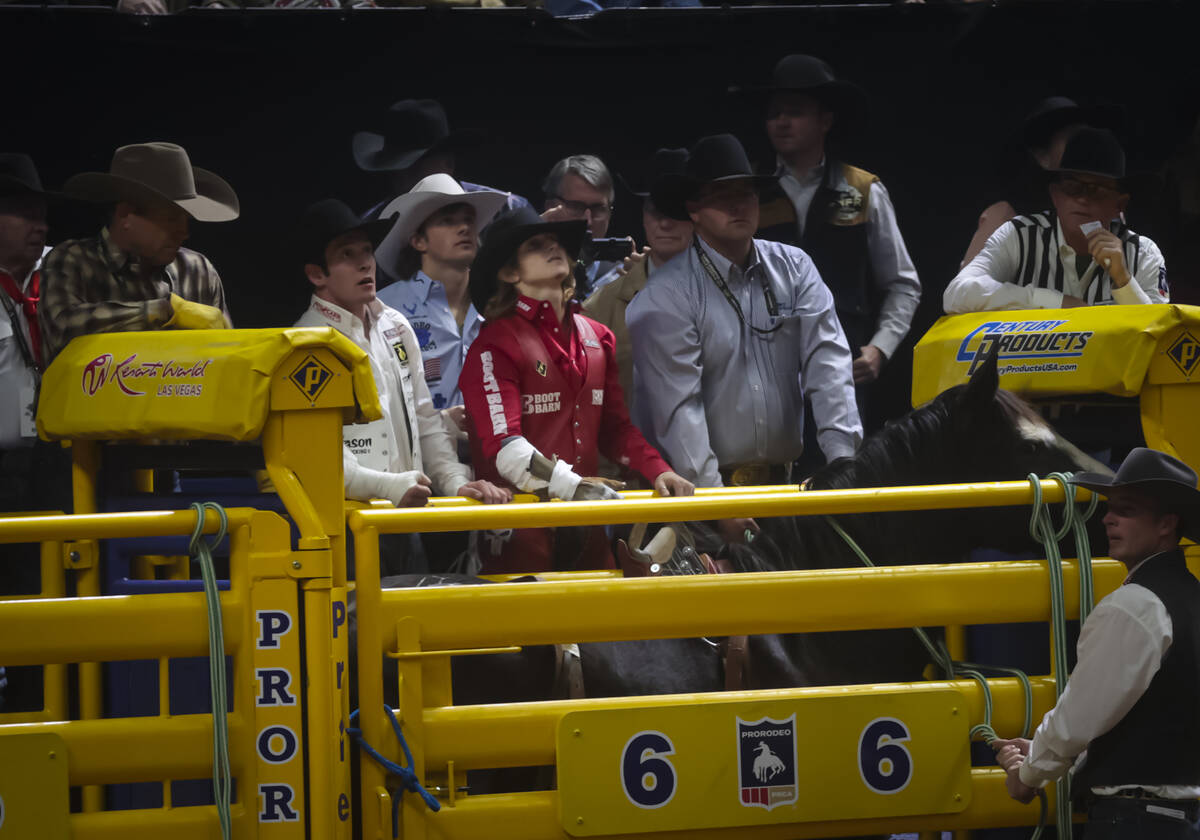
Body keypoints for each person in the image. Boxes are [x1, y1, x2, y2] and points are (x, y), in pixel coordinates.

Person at [628, 133, 861, 540]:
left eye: (747, 192)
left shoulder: (795, 267)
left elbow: (830, 365)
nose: (739, 203)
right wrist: (718, 504)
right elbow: (679, 410)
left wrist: (844, 467)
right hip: (698, 503)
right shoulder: (664, 296)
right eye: (722, 194)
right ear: (694, 209)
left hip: (787, 491)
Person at [459, 206, 693, 574]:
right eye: (536, 245)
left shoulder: (598, 337)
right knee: (530, 631)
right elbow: (505, 448)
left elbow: (615, 430)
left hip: (589, 528)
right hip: (517, 535)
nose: (554, 248)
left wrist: (658, 470)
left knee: (598, 628)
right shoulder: (494, 344)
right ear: (509, 272)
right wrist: (577, 487)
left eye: (558, 243)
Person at [993, 447, 1200, 839]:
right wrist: (1042, 752)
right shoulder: (1191, 598)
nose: (1108, 518)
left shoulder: (1134, 606)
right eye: (1110, 508)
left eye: (1127, 509)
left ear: (1166, 525)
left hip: (1135, 821)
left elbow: (1078, 717)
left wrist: (1028, 773)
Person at [292, 199, 510, 530]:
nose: (365, 263)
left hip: (405, 516)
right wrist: (388, 486)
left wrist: (453, 481)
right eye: (346, 255)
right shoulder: (305, 344)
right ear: (315, 274)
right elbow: (314, 458)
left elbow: (423, 419)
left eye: (367, 251)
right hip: (342, 524)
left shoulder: (395, 326)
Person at [753, 54, 921, 419]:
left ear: (825, 120)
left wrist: (880, 348)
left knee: (840, 470)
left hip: (842, 369)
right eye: (774, 112)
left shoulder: (863, 190)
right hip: (762, 370)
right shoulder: (749, 193)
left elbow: (903, 284)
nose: (781, 121)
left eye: (794, 111)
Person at [39, 142, 239, 364]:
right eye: (171, 218)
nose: (184, 232)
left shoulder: (197, 270)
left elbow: (228, 356)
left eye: (187, 219)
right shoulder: (73, 260)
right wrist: (165, 311)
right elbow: (63, 328)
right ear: (126, 214)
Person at [945, 128, 1168, 313]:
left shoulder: (1142, 252)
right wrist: (1054, 301)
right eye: (1072, 187)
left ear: (1120, 204)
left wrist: (1123, 279)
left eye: (1096, 190)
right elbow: (957, 293)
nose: (1082, 198)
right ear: (1055, 195)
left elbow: (1159, 337)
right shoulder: (1019, 236)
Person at [374, 174, 508, 423]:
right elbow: (380, 398)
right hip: (422, 457)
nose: (464, 227)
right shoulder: (384, 309)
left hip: (498, 453)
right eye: (447, 221)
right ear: (418, 241)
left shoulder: (501, 302)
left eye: (469, 220)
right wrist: (441, 421)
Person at [583, 147, 693, 424]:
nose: (665, 223)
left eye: (677, 211)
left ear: (699, 214)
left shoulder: (732, 294)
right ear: (644, 215)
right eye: (655, 210)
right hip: (632, 464)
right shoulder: (599, 310)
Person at [961, 96, 1124, 267]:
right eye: (1072, 140)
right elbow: (967, 290)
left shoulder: (1105, 213)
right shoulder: (1005, 217)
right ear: (1042, 156)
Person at [354, 99, 530, 223]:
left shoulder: (508, 210)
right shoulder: (373, 225)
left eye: (414, 167)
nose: (402, 178)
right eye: (394, 168)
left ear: (448, 165)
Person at [541, 154, 621, 299]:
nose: (588, 221)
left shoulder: (622, 280)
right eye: (576, 207)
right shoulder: (521, 273)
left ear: (609, 213)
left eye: (598, 208)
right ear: (550, 207)